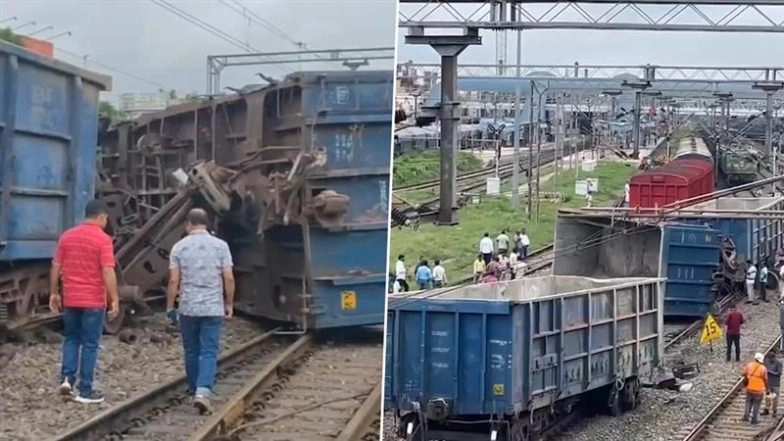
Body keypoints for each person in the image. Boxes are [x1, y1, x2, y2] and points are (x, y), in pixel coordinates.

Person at [49, 199, 120, 404]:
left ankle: (67, 380)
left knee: (71, 338)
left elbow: (56, 266)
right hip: (93, 301)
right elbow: (108, 271)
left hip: (71, 299)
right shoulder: (103, 240)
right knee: (90, 344)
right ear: (102, 217)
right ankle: (85, 390)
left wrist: (54, 292)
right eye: (105, 219)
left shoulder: (67, 236)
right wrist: (114, 298)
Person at [167, 208, 235, 414]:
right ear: (207, 224)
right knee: (209, 351)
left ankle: (193, 388)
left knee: (191, 350)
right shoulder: (221, 246)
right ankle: (203, 392)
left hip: (188, 307)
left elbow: (173, 281)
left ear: (188, 224)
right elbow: (229, 277)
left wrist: (170, 307)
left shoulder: (179, 247)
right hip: (213, 307)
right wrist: (229, 303)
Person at [742, 352, 768, 425]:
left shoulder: (749, 365)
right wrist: (767, 388)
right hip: (759, 390)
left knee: (748, 402)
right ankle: (754, 420)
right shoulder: (763, 368)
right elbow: (765, 379)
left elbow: (743, 373)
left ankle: (746, 416)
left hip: (749, 388)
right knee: (757, 404)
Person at [764, 352, 782, 417]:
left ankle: (774, 411)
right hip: (768, 382)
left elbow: (779, 373)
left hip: (775, 383)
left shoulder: (779, 363)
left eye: (771, 358)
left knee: (775, 398)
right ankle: (766, 409)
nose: (770, 360)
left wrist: (771, 372)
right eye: (769, 358)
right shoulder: (767, 362)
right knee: (768, 397)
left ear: (774, 357)